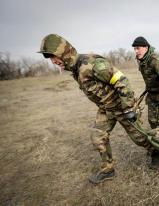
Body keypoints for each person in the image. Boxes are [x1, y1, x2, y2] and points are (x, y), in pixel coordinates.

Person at [38, 34, 152, 184]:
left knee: (140, 138)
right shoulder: (76, 68)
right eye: (50, 59)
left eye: (54, 57)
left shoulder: (91, 64)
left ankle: (155, 151)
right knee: (98, 137)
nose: (53, 62)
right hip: (106, 109)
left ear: (63, 52)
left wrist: (129, 108)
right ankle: (108, 170)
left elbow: (121, 81)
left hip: (121, 107)